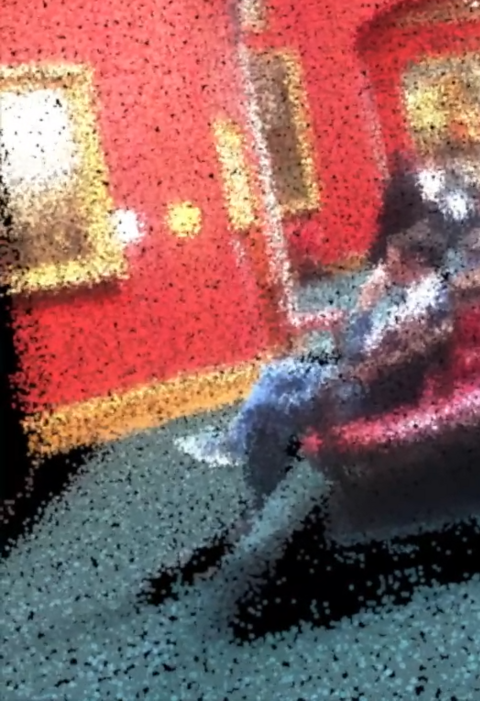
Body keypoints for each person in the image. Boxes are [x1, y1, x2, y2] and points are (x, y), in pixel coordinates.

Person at [171, 220, 455, 584]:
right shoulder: (418, 292)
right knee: (275, 373)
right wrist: (347, 328)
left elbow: (362, 357)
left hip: (365, 392)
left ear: (416, 260)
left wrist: (365, 305)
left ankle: (249, 496)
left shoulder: (426, 303)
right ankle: (234, 448)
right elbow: (355, 351)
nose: (384, 267)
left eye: (391, 260)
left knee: (268, 415)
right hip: (355, 375)